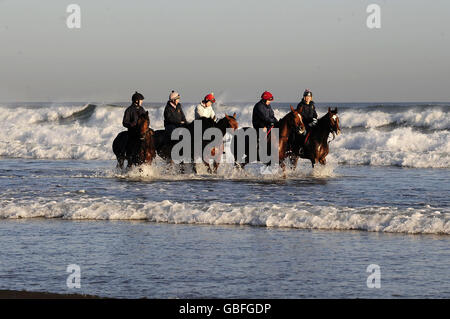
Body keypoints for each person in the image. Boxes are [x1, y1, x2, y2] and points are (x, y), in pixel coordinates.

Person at [122, 91, 146, 164]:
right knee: (129, 141)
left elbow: (145, 119)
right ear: (136, 100)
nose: (142, 101)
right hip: (132, 131)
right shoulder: (129, 110)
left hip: (141, 131)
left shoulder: (142, 109)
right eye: (141, 100)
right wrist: (131, 124)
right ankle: (128, 154)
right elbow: (124, 122)